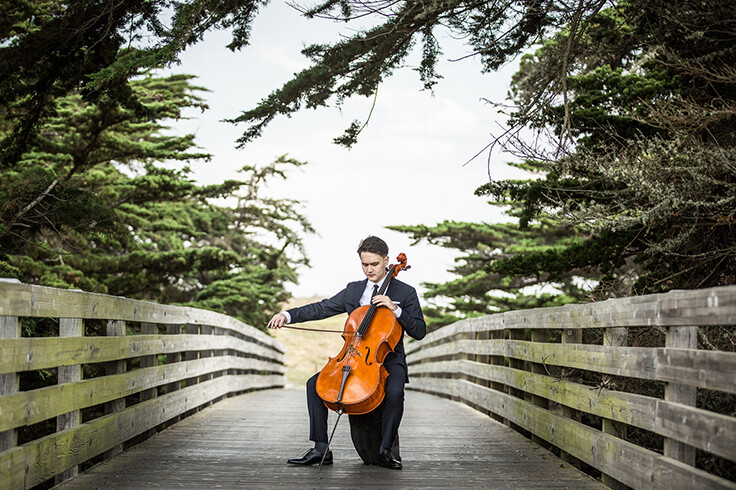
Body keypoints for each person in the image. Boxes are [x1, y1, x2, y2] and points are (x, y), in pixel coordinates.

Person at [267, 236, 426, 470]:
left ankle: (385, 450)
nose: (369, 269)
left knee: (394, 392)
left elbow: (420, 331)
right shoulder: (354, 290)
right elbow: (321, 308)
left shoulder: (405, 292)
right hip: (354, 355)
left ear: (386, 261)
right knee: (314, 384)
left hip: (388, 358)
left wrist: (396, 309)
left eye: (374, 264)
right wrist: (288, 315)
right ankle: (321, 448)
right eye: (365, 264)